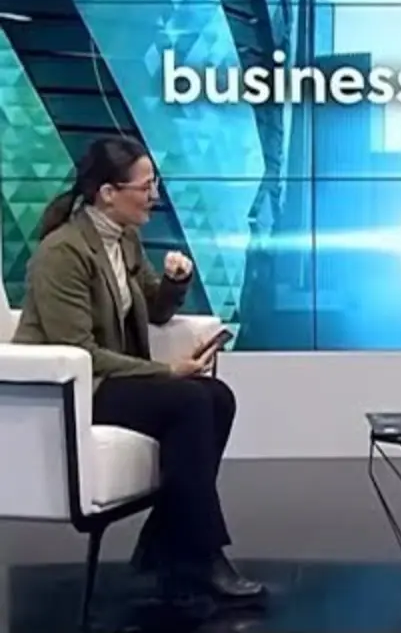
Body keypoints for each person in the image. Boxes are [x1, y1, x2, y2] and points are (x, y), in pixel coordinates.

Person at [12, 136, 265, 611]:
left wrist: (174, 282)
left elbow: (154, 310)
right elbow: (79, 353)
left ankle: (167, 545)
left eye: (155, 185)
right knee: (190, 399)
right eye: (145, 187)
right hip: (75, 391)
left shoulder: (123, 237)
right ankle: (199, 555)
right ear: (108, 193)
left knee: (217, 396)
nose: (154, 196)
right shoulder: (62, 254)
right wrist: (166, 371)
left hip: (114, 379)